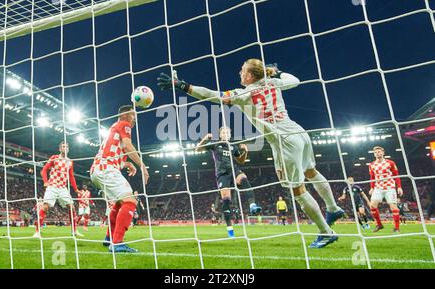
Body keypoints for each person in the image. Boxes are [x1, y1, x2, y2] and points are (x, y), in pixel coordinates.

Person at [157, 60, 344, 248]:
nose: (240, 73)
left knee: (298, 190)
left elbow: (212, 95)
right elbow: (295, 80)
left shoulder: (243, 94)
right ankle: (333, 208)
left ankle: (325, 232)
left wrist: (182, 85)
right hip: (299, 132)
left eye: (243, 70)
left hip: (283, 142)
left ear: (249, 76)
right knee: (311, 172)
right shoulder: (273, 83)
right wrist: (275, 73)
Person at [90, 105, 150, 253]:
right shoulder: (124, 124)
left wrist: (126, 163)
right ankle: (117, 243)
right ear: (126, 115)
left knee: (118, 203)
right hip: (106, 169)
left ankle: (109, 237)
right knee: (130, 201)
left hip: (98, 169)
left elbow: (113, 152)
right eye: (133, 116)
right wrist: (142, 166)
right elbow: (128, 146)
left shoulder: (113, 128)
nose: (135, 119)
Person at [196, 127, 260, 238]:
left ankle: (252, 205)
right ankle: (230, 229)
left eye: (227, 132)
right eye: (223, 132)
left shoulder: (233, 147)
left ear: (230, 135)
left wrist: (245, 151)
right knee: (226, 200)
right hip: (222, 175)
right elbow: (197, 149)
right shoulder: (215, 144)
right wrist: (205, 138)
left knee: (243, 178)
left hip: (233, 170)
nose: (225, 134)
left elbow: (241, 161)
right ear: (220, 135)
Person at [33, 141, 82, 238]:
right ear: (60, 149)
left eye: (67, 146)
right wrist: (45, 181)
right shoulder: (54, 158)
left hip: (63, 188)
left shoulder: (70, 162)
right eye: (63, 146)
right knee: (45, 207)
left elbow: (71, 176)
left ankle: (74, 231)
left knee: (71, 207)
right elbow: (44, 170)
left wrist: (76, 189)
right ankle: (37, 231)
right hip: (52, 186)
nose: (65, 148)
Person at [368, 146, 403, 233]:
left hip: (389, 187)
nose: (377, 153)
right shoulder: (372, 165)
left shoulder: (390, 163)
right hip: (378, 187)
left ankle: (397, 228)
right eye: (376, 152)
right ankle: (379, 224)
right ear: (374, 154)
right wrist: (372, 187)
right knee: (372, 206)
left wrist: (399, 187)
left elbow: (396, 175)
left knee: (393, 207)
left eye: (379, 152)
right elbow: (372, 177)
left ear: (383, 152)